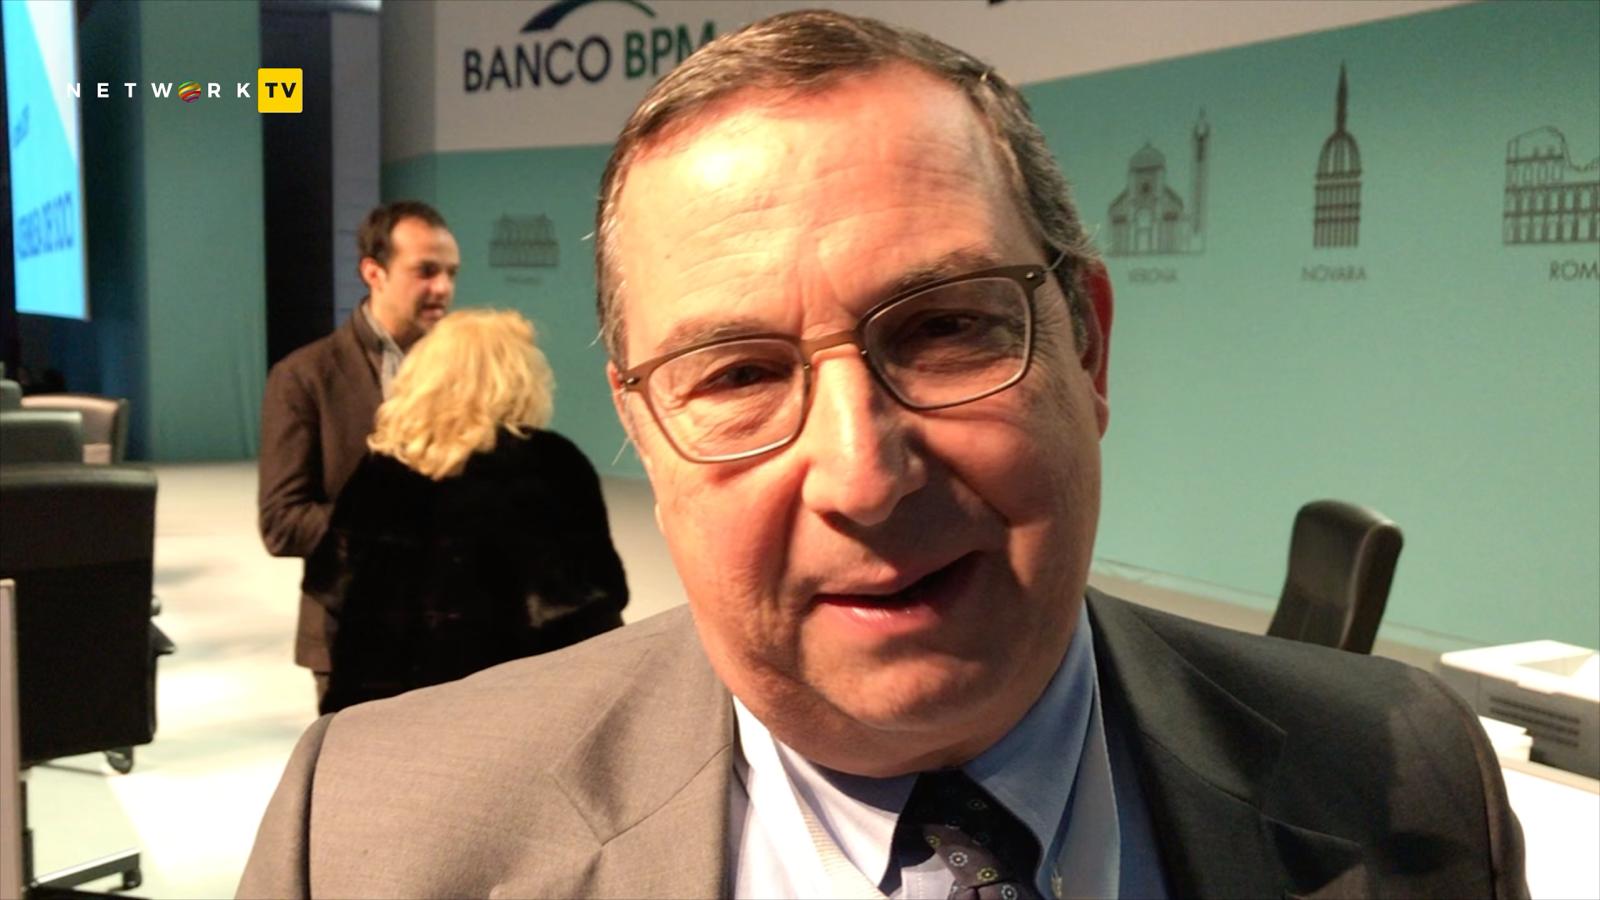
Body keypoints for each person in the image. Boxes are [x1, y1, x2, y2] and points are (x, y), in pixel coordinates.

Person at [239, 11, 1527, 899]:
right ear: (640, 429)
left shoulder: (1411, 776)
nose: (862, 475)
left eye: (947, 329)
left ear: (1087, 349)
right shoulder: (367, 843)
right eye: (737, 375)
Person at [307, 309, 628, 714]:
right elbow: (587, 608)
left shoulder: (380, 470)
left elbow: (332, 589)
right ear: (516, 379)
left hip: (379, 714)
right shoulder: (550, 465)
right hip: (505, 715)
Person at [257, 200, 460, 704]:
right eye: (426, 271)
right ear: (374, 272)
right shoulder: (304, 377)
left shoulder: (462, 371)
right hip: (353, 637)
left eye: (451, 273)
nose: (443, 287)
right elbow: (282, 523)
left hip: (455, 639)